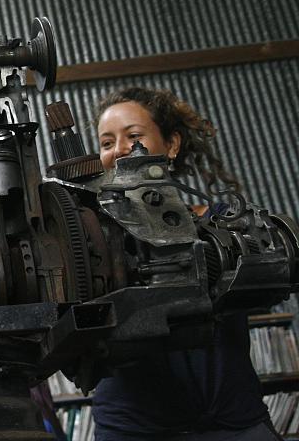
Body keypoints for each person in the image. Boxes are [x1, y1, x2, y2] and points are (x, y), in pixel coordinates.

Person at [91, 86, 280, 441]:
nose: (117, 150)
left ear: (172, 145)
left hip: (233, 419)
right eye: (105, 142)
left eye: (133, 136)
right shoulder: (90, 232)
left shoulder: (225, 223)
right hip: (134, 427)